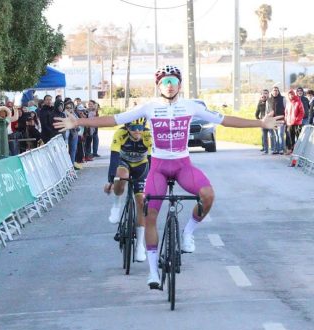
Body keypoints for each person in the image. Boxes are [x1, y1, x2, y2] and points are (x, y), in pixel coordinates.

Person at [54, 65, 283, 288]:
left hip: (183, 165)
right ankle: (153, 272)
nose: (170, 86)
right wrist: (79, 121)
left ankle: (188, 233)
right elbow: (114, 120)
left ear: (180, 85)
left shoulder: (191, 106)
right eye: (165, 82)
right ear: (158, 86)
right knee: (150, 213)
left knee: (208, 195)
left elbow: (225, 119)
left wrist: (260, 123)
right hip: (159, 168)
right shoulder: (149, 108)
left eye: (173, 81)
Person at [104, 117, 152, 262]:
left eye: (140, 128)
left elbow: (152, 160)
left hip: (141, 167)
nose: (137, 131)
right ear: (127, 128)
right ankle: (117, 205)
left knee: (141, 204)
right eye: (133, 128)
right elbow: (114, 158)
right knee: (122, 175)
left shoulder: (149, 135)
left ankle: (139, 246)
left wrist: (152, 181)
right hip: (123, 163)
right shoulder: (120, 134)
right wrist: (111, 181)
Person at [267, 85, 286, 155]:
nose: (275, 92)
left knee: (280, 134)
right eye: (274, 90)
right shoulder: (268, 100)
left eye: (277, 90)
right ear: (272, 91)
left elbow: (286, 109)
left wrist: (285, 119)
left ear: (278, 91)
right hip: (272, 120)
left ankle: (281, 149)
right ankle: (276, 149)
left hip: (281, 119)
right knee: (275, 135)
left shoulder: (283, 98)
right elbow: (267, 110)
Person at [285, 89, 304, 153]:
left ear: (294, 94)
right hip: (289, 123)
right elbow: (286, 112)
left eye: (292, 94)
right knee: (291, 138)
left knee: (299, 138)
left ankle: (300, 151)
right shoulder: (288, 103)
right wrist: (286, 119)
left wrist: (297, 119)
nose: (291, 95)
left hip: (297, 123)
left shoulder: (298, 102)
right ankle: (293, 150)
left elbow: (302, 112)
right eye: (289, 94)